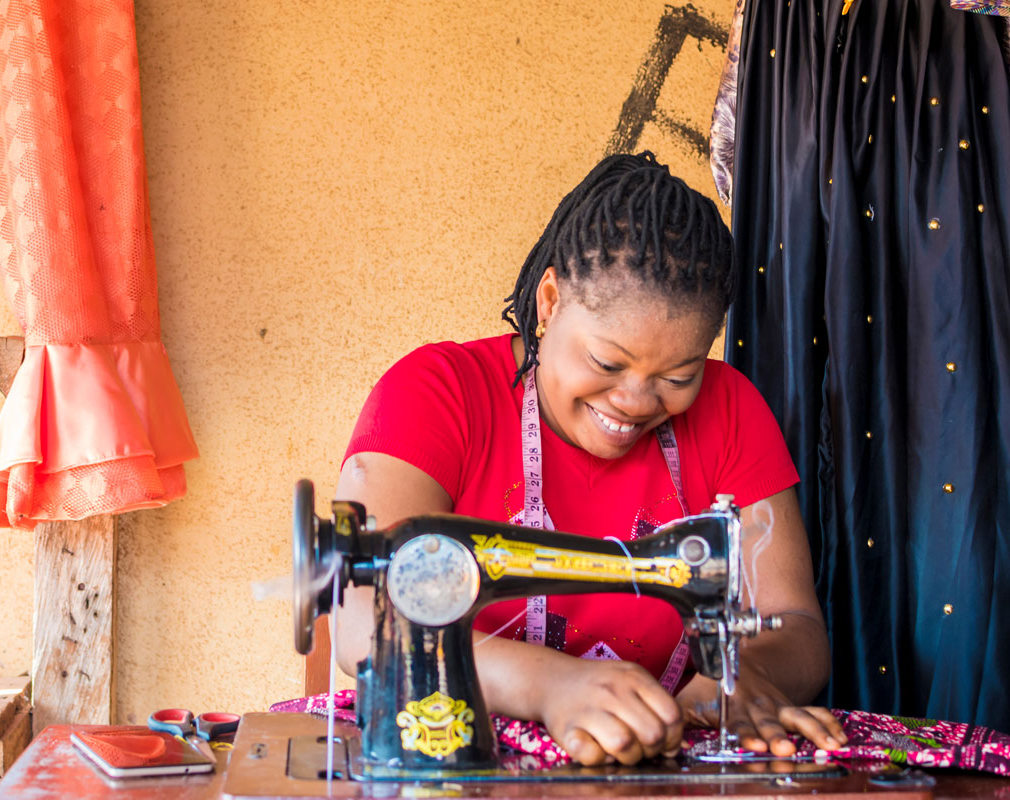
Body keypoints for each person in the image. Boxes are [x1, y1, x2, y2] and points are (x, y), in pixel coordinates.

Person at [334, 151, 845, 766]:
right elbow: (363, 619)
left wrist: (736, 682)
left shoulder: (730, 409)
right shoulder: (437, 395)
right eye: (608, 363)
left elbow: (794, 623)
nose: (633, 402)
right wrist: (551, 685)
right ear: (549, 302)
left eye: (678, 376)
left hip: (646, 757)